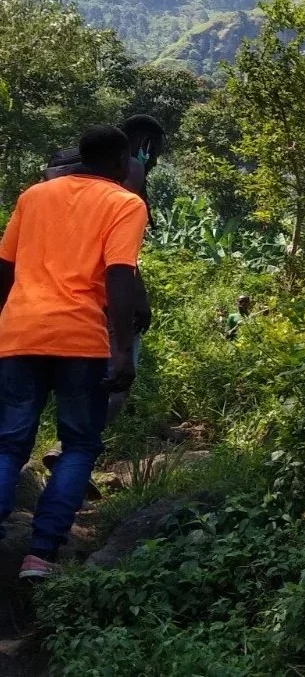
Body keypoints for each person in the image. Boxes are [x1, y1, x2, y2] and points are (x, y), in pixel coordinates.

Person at [0, 126, 147, 579]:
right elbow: (120, 276)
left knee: (8, 443)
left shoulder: (34, 196)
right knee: (80, 444)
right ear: (122, 161)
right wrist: (121, 349)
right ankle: (40, 554)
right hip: (80, 339)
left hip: (20, 334)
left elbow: (4, 268)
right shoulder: (124, 203)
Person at [41, 114, 162, 473]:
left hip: (47, 287)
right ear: (141, 145)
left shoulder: (62, 170)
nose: (152, 161)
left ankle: (57, 454)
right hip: (101, 292)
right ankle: (69, 453)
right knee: (117, 376)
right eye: (154, 152)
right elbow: (119, 256)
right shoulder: (131, 173)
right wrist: (138, 297)